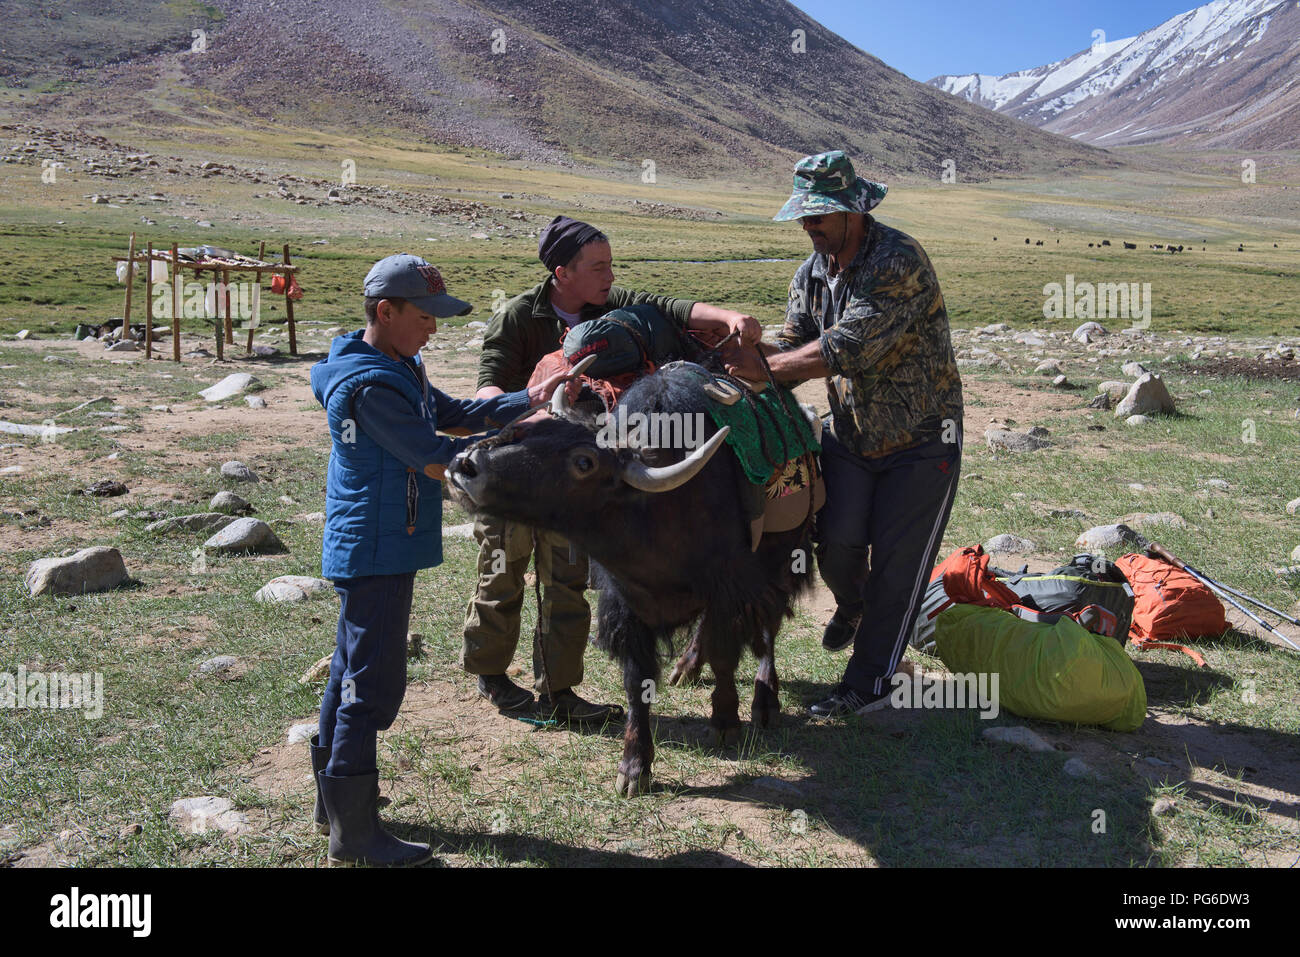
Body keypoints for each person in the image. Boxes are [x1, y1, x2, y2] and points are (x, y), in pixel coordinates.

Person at [308, 254, 574, 865]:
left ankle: (334, 803)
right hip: (375, 544)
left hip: (380, 539)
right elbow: (432, 455)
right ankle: (356, 832)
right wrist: (520, 444)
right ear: (386, 311)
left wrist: (527, 398)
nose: (434, 327)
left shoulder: (396, 363)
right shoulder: (371, 385)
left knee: (350, 666)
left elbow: (450, 414)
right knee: (368, 681)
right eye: (425, 315)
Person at [463, 215, 762, 720]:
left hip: (576, 475)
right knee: (503, 567)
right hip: (516, 466)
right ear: (562, 272)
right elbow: (486, 389)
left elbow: (671, 307)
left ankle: (561, 690)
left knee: (567, 576)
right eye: (597, 266)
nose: (609, 275)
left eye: (611, 265)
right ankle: (491, 676)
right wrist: (537, 402)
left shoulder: (614, 306)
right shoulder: (518, 316)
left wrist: (728, 316)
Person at [724, 151, 964, 717]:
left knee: (898, 572)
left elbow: (847, 347)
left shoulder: (897, 259)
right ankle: (853, 605)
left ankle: (868, 684)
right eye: (803, 217)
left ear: (853, 211)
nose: (808, 227)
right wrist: (744, 356)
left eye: (819, 217)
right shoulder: (810, 274)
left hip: (922, 441)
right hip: (851, 437)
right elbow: (795, 340)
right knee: (834, 543)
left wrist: (770, 368)